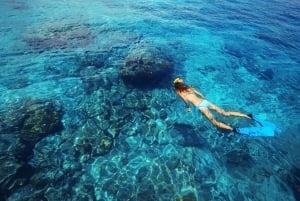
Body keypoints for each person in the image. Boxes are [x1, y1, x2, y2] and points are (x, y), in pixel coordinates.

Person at [173, 77, 251, 132]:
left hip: (201, 106)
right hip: (206, 102)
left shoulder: (178, 91)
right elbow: (201, 95)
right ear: (179, 81)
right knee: (225, 113)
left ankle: (233, 129)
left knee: (215, 123)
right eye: (181, 79)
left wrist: (188, 107)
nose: (182, 79)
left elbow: (185, 100)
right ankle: (246, 116)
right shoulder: (188, 87)